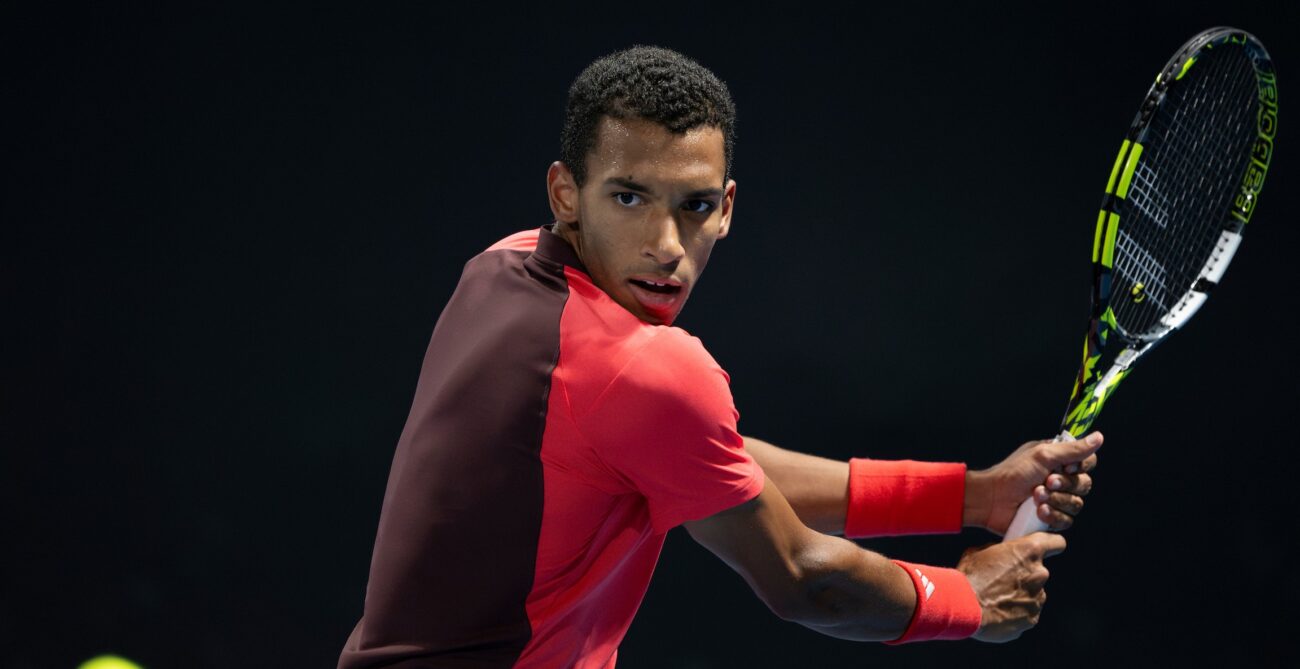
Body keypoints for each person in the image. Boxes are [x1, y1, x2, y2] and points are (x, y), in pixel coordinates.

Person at [338, 45, 1101, 669]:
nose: (667, 247)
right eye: (630, 197)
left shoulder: (497, 268)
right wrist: (968, 597)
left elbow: (712, 459)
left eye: (694, 205)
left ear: (727, 207)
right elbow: (804, 579)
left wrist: (973, 495)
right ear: (566, 193)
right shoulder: (646, 369)